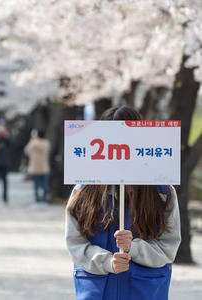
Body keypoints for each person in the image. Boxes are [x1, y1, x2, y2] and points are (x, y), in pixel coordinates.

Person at [65, 106, 181, 300]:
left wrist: (133, 248)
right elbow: (75, 242)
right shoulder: (84, 190)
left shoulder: (162, 191)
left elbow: (168, 247)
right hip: (97, 289)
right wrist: (106, 262)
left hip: (144, 290)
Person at [24, 129, 51, 203]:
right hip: (44, 167)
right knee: (45, 184)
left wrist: (33, 139)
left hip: (35, 167)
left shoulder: (33, 143)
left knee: (36, 184)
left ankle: (37, 198)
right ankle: (44, 198)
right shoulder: (46, 143)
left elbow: (26, 151)